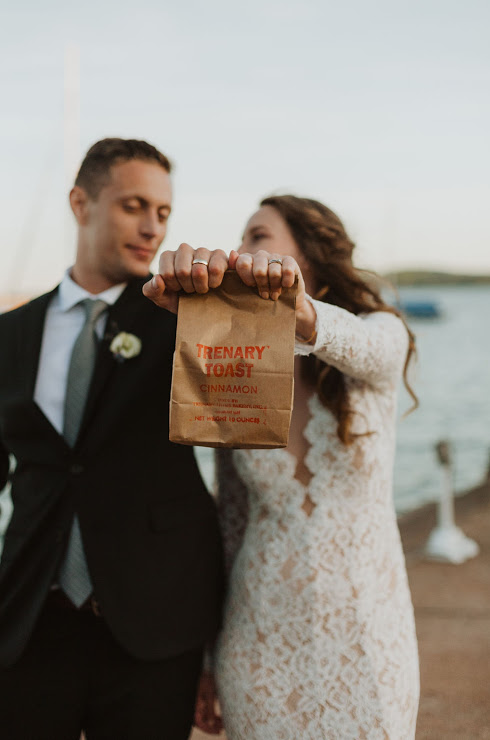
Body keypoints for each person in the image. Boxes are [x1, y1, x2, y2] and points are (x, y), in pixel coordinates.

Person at [145, 194, 420, 739]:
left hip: (370, 635)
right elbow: (230, 522)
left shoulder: (380, 332)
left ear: (310, 258)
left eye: (258, 236)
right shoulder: (234, 375)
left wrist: (297, 310)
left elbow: (373, 350)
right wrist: (207, 660)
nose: (242, 250)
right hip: (259, 641)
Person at [0, 137, 224, 740]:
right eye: (133, 205)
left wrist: (218, 304)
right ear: (81, 202)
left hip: (153, 629)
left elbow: (241, 411)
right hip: (28, 623)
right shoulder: (10, 333)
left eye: (163, 213)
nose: (151, 227)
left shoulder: (183, 322)